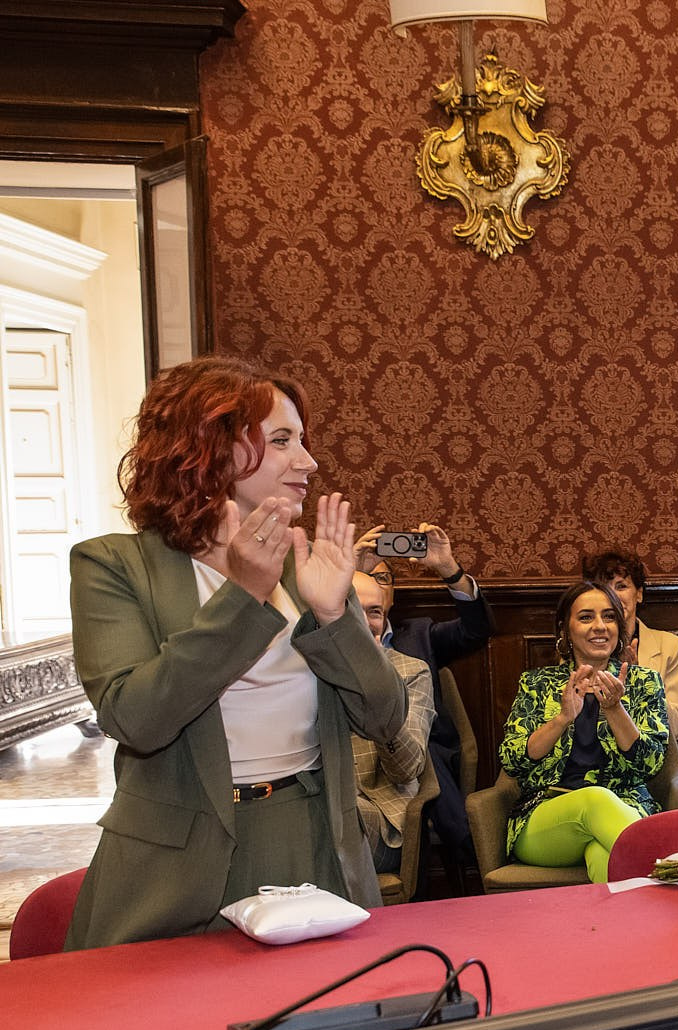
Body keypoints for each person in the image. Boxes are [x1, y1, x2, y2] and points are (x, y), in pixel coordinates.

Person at [67, 356, 404, 948]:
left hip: (312, 840)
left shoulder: (311, 565)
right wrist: (244, 594)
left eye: (304, 440)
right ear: (210, 451)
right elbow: (135, 719)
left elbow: (385, 720)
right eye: (282, 441)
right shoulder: (112, 564)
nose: (309, 462)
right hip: (171, 864)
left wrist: (333, 616)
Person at [497, 582, 668, 883]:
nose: (600, 626)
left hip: (624, 810)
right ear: (566, 629)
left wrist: (615, 709)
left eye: (609, 617)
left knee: (605, 856)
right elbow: (514, 761)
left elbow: (650, 765)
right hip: (545, 818)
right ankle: (670, 872)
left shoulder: (644, 682)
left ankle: (622, 930)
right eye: (586, 617)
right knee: (595, 800)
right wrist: (562, 719)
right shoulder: (537, 683)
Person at [356, 522, 493, 887]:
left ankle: (469, 851)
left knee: (424, 755)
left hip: (418, 747)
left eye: (383, 579)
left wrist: (449, 569)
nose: (374, 584)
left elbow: (476, 631)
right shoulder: (320, 651)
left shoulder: (416, 638)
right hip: (354, 765)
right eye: (362, 577)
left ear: (393, 595)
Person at [351, 571, 435, 876]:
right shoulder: (304, 669)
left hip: (379, 818)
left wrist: (376, 685)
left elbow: (407, 769)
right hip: (314, 805)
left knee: (334, 813)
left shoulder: (410, 671)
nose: (364, 620)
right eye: (351, 607)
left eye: (374, 611)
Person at [581, 548, 678, 755]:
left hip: (648, 757)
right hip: (592, 753)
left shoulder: (669, 646)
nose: (613, 596)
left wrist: (639, 680)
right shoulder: (580, 644)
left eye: (621, 586)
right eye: (604, 589)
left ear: (638, 594)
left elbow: (677, 728)